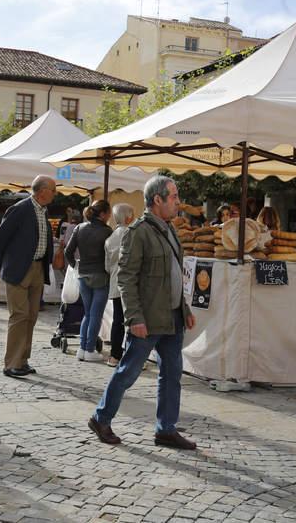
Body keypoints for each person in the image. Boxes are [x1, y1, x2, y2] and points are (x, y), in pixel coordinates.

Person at [88, 175, 197, 449]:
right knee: (128, 372)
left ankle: (166, 429)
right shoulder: (138, 232)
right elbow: (125, 278)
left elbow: (174, 275)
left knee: (172, 374)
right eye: (173, 197)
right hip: (148, 318)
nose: (178, 203)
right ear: (157, 199)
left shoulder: (169, 229)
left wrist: (184, 308)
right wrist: (133, 318)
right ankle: (101, 418)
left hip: (173, 317)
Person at [0, 175, 57, 378]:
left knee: (31, 316)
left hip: (37, 269)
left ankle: (22, 360)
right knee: (19, 316)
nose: (55, 194)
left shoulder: (43, 211)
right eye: (53, 190)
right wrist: (4, 263)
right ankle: (11, 363)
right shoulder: (20, 209)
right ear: (42, 191)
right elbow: (0, 237)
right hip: (18, 269)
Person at [65, 200, 113, 363]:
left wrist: (75, 266)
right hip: (101, 275)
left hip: (83, 275)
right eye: (109, 212)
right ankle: (90, 349)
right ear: (103, 214)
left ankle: (82, 348)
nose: (110, 215)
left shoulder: (79, 228)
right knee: (95, 315)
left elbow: (68, 252)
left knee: (88, 313)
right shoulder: (107, 231)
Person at [104, 203, 135, 368]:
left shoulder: (110, 238)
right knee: (132, 320)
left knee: (118, 321)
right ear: (128, 217)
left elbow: (107, 267)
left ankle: (115, 356)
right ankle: (132, 357)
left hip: (115, 282)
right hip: (131, 283)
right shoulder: (132, 234)